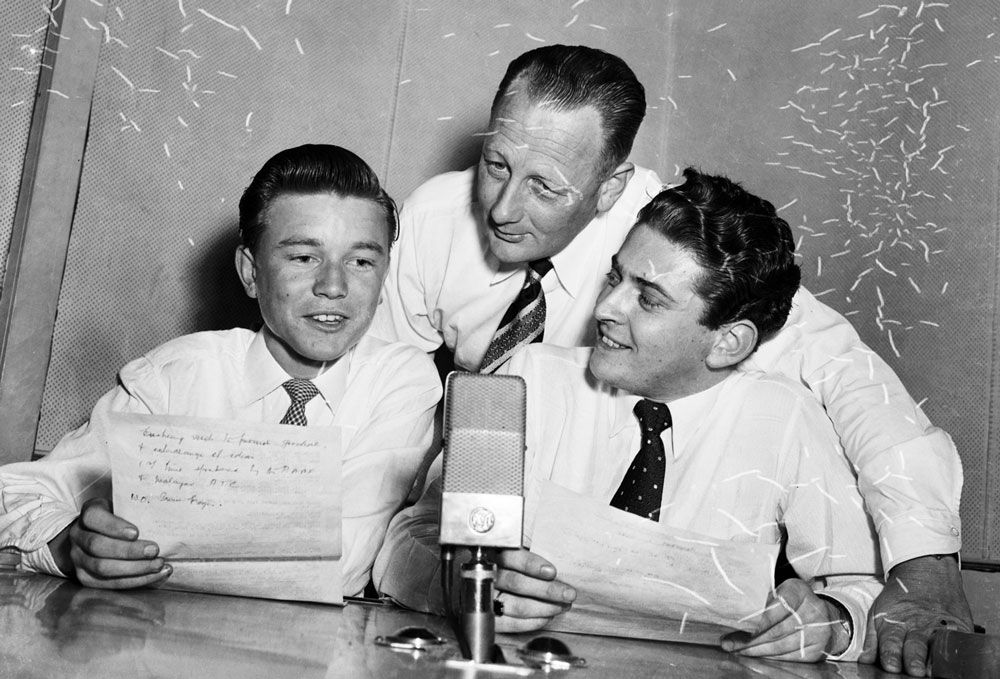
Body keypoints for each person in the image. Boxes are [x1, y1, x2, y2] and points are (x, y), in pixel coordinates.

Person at [370, 44, 969, 675]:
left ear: (610, 191)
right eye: (496, 164)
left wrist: (921, 565)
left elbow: (854, 388)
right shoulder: (439, 227)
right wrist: (450, 577)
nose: (502, 208)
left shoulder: (683, 246)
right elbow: (385, 413)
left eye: (545, 186)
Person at [376, 169, 883, 662]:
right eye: (615, 276)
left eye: (648, 298)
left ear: (728, 342)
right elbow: (406, 540)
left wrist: (831, 623)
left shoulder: (786, 418)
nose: (606, 308)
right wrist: (462, 584)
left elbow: (863, 592)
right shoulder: (529, 380)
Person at [0, 144, 441, 598]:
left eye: (361, 261)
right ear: (251, 273)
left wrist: (168, 539)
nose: (334, 286)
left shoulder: (401, 382)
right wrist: (66, 545)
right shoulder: (175, 376)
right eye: (303, 257)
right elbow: (12, 494)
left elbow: (339, 566)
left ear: (385, 276)